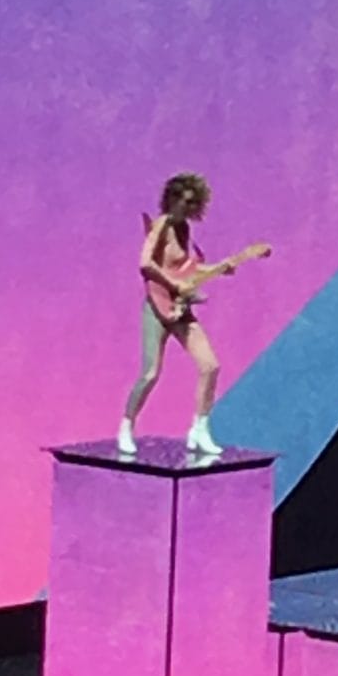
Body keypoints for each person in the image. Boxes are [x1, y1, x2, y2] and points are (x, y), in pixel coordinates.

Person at [118, 172, 227, 460]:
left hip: (180, 308)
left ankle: (199, 428)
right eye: (183, 201)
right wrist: (173, 284)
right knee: (151, 373)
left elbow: (186, 269)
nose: (187, 208)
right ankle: (127, 424)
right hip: (157, 307)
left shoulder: (183, 230)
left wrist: (219, 268)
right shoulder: (162, 225)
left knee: (210, 365)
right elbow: (145, 264)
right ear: (172, 199)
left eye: (192, 204)